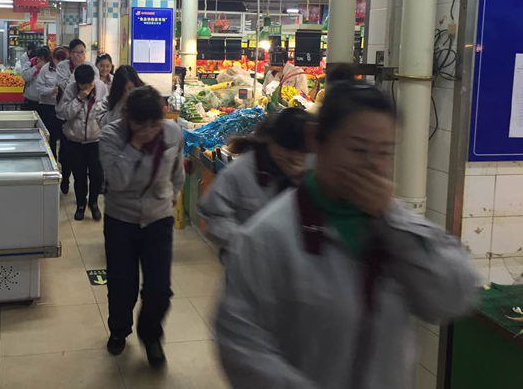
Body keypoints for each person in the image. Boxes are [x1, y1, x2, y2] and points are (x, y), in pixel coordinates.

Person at [215, 75, 478, 389]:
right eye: (358, 149)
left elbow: (454, 296)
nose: (373, 165)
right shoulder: (267, 238)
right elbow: (242, 347)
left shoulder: (395, 228)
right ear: (316, 139)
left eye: (385, 152)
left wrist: (392, 219)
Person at [99, 86, 185, 367]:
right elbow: (117, 180)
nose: (149, 130)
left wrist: (170, 198)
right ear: (127, 117)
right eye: (141, 124)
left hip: (159, 219)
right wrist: (135, 145)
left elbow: (177, 173)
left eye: (154, 123)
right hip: (121, 219)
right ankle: (119, 330)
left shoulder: (172, 133)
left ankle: (151, 335)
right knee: (122, 284)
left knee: (159, 288)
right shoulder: (111, 135)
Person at [198, 108, 313, 262]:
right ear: (274, 144)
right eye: (290, 150)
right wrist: (248, 244)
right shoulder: (241, 171)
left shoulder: (310, 172)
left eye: (303, 152)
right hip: (248, 264)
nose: (296, 157)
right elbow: (213, 214)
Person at [57, 64, 108, 221]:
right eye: (82, 85)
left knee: (97, 175)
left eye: (89, 83)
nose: (86, 87)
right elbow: (64, 113)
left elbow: (106, 110)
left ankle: (93, 203)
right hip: (75, 141)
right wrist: (79, 99)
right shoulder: (70, 90)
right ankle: (80, 204)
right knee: (79, 176)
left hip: (96, 140)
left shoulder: (101, 87)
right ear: (77, 83)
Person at [55, 39, 98, 195]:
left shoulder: (91, 67)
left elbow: (94, 85)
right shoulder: (62, 67)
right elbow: (66, 86)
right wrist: (77, 72)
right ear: (70, 54)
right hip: (66, 113)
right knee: (66, 154)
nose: (80, 55)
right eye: (77, 52)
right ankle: (65, 179)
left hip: (87, 117)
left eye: (82, 52)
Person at [36, 46, 69, 157]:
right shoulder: (45, 69)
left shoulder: (69, 70)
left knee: (63, 135)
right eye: (57, 59)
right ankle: (51, 157)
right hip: (48, 106)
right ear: (52, 58)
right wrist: (52, 90)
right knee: (50, 135)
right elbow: (39, 88)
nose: (59, 63)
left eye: (63, 60)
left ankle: (63, 159)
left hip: (63, 107)